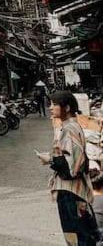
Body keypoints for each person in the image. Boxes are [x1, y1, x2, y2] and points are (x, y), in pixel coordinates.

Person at [38, 90, 99, 245]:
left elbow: (71, 168)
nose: (50, 107)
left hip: (70, 192)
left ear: (66, 108)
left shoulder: (69, 129)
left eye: (54, 104)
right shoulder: (71, 126)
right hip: (74, 191)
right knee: (81, 233)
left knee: (76, 235)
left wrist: (49, 159)